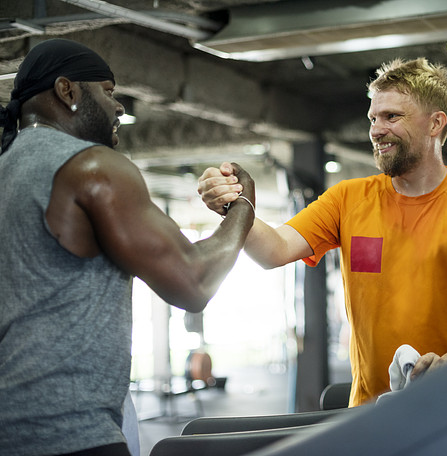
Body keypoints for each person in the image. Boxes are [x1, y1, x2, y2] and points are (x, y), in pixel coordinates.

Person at [198, 57, 447, 406]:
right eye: (373, 118)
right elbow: (274, 251)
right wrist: (237, 206)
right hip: (370, 412)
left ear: (435, 123)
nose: (376, 130)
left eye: (392, 116)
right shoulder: (348, 199)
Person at [0, 39, 255, 456]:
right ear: (68, 92)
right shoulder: (91, 166)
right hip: (70, 434)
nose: (119, 107)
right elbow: (194, 282)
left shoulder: (8, 168)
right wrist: (244, 206)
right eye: (108, 91)